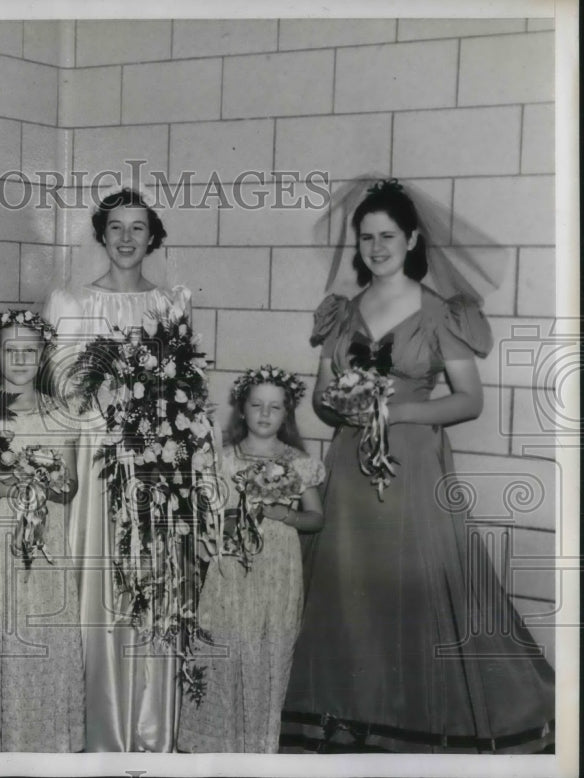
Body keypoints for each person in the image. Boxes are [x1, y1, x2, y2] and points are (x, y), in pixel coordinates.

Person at [282, 179, 555, 753]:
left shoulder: (439, 312)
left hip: (411, 462)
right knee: (351, 584)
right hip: (352, 466)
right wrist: (345, 404)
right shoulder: (342, 312)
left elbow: (468, 399)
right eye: (366, 238)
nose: (376, 247)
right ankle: (354, 710)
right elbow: (321, 397)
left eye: (387, 236)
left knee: (416, 584)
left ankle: (416, 712)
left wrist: (397, 407)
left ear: (411, 239)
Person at [42, 187, 191, 752]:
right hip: (96, 454)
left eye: (138, 228)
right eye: (116, 228)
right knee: (100, 580)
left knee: (152, 579)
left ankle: (151, 727)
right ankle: (99, 730)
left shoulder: (172, 302)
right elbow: (55, 392)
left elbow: (182, 389)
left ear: (152, 236)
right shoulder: (71, 301)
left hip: (155, 461)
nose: (127, 238)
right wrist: (100, 397)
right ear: (101, 236)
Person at [0, 309, 85, 752]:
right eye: (11, 350)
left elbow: (69, 488)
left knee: (44, 635)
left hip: (44, 548)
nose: (21, 359)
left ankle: (45, 744)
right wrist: (6, 481)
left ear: (43, 355)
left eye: (30, 350)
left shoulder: (60, 412)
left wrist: (42, 480)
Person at [178, 366, 324, 753]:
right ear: (242, 410)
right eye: (256, 405)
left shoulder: (298, 461)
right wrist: (225, 521)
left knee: (268, 643)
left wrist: (284, 514)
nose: (264, 414)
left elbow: (316, 517)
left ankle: (258, 742)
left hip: (278, 565)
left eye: (274, 408)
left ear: (286, 414)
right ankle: (213, 742)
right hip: (233, 561)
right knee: (226, 637)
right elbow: (204, 515)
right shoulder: (223, 459)